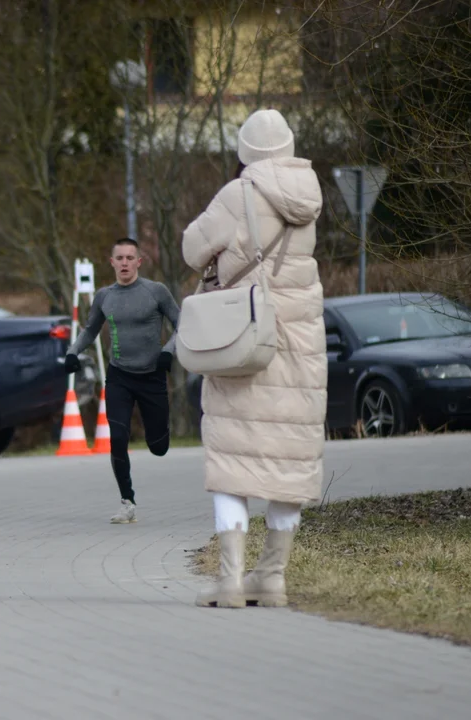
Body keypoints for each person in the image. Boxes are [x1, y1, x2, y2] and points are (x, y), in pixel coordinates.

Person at [181, 108, 326, 608]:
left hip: (246, 342)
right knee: (289, 462)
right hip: (301, 346)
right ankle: (273, 578)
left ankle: (229, 581)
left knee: (232, 461)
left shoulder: (237, 194)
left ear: (245, 152)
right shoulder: (310, 197)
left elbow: (191, 249)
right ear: (287, 147)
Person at [63, 237, 180, 524]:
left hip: (152, 376)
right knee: (117, 438)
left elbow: (184, 324)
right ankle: (127, 501)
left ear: (139, 261)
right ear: (112, 262)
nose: (125, 263)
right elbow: (89, 330)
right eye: (120, 258)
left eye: (130, 258)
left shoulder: (156, 292)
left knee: (159, 447)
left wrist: (168, 352)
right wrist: (72, 352)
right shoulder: (105, 296)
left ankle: (159, 437)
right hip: (119, 377)